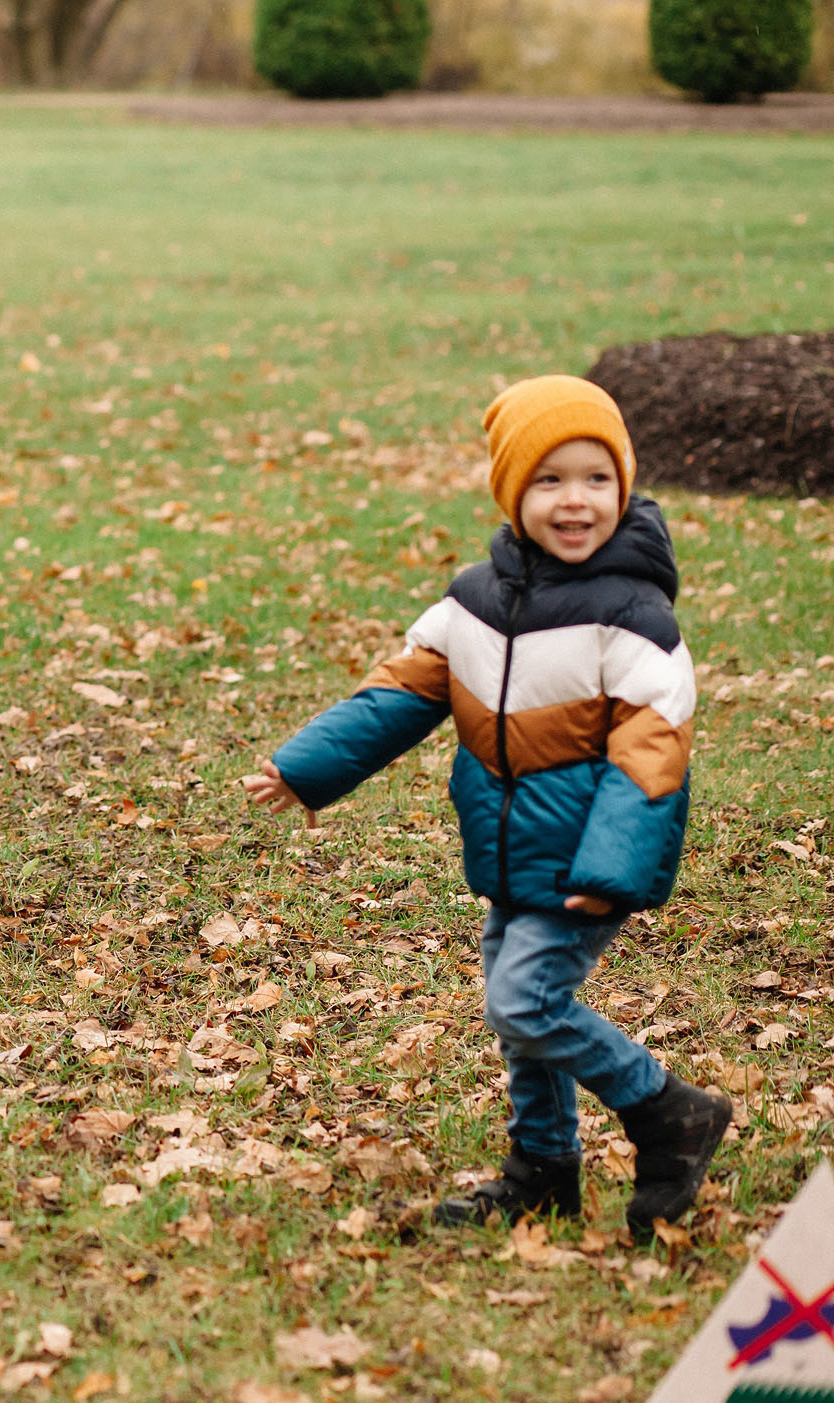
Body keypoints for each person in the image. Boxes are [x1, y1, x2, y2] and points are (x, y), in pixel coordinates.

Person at [240, 376, 729, 1240]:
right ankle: (542, 1169)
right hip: (510, 851)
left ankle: (668, 1112)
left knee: (524, 1002)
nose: (575, 500)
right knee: (520, 1020)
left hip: (582, 861)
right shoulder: (473, 601)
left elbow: (652, 752)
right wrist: (304, 768)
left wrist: (612, 872)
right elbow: (397, 695)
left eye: (595, 478)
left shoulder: (633, 620)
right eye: (549, 480)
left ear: (623, 487)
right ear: (511, 492)